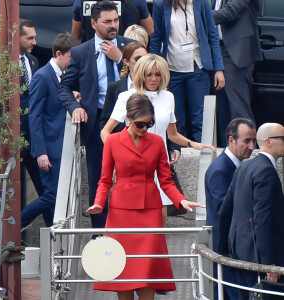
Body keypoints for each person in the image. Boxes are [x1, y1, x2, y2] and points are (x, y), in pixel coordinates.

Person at [87, 93, 205, 300]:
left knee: (148, 269)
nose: (145, 129)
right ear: (129, 119)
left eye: (150, 124)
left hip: (150, 211)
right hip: (121, 213)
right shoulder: (113, 142)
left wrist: (181, 200)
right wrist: (98, 203)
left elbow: (166, 180)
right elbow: (105, 180)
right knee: (121, 267)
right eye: (141, 124)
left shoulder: (158, 142)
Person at [101, 54, 215, 225]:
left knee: (158, 224)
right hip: (133, 166)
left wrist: (193, 144)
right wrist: (118, 157)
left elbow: (172, 134)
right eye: (149, 74)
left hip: (158, 165)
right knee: (131, 223)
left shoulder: (168, 97)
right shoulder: (126, 97)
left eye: (158, 74)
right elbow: (106, 131)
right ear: (141, 74)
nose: (153, 79)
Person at [58, 1, 134, 229]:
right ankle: (100, 233)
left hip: (129, 124)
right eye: (107, 22)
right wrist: (75, 107)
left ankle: (129, 230)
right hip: (97, 125)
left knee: (130, 180)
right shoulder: (81, 52)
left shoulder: (130, 47)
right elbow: (64, 87)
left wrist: (121, 58)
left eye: (116, 20)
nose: (114, 26)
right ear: (93, 24)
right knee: (99, 180)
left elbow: (146, 76)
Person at [219, 123, 284, 300]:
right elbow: (262, 220)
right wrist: (269, 263)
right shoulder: (266, 171)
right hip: (259, 260)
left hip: (240, 254)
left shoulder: (244, 167)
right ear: (269, 142)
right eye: (283, 138)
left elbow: (226, 211)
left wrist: (224, 250)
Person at [21, 33, 79, 227]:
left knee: (57, 198)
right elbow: (34, 116)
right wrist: (41, 152)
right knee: (52, 196)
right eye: (71, 57)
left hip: (61, 147)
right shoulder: (42, 76)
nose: (73, 62)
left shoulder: (62, 76)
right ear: (59, 54)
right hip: (49, 149)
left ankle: (53, 237)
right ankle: (14, 224)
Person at [150, 0, 225, 142]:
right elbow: (156, 38)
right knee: (176, 119)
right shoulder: (161, 5)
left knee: (199, 119)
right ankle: (178, 156)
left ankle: (202, 157)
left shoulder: (201, 3)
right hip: (171, 69)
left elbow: (212, 36)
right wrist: (154, 69)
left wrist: (218, 68)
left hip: (198, 67)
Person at [205, 117, 256, 300]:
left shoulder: (237, 166)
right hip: (226, 251)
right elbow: (223, 214)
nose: (251, 146)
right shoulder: (221, 170)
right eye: (246, 141)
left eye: (253, 140)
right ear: (231, 140)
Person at [211, 0, 262, 147]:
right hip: (217, 50)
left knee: (238, 110)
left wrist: (196, 13)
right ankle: (228, 155)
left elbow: (229, 13)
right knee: (222, 111)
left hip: (235, 53)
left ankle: (248, 157)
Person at [19, 19, 43, 209]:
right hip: (13, 140)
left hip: (34, 138)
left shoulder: (33, 61)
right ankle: (18, 236)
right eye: (30, 38)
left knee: (44, 189)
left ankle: (51, 231)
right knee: (14, 194)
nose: (35, 42)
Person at [100, 42, 147, 132]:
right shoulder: (114, 88)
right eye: (138, 59)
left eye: (145, 58)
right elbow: (105, 123)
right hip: (123, 141)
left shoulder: (155, 86)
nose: (143, 62)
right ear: (126, 62)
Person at [71, 0, 154, 42]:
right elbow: (150, 30)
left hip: (91, 58)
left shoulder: (80, 2)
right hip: (128, 59)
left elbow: (75, 36)